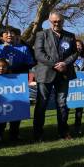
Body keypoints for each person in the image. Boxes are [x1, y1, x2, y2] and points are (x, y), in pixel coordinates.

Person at [32, 11, 77, 141]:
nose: (57, 23)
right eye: (54, 21)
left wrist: (65, 64)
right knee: (42, 104)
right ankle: (38, 133)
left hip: (63, 74)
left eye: (59, 21)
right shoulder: (42, 34)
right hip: (45, 73)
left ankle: (63, 132)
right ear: (49, 21)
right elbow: (39, 54)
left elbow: (74, 53)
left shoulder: (70, 36)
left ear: (63, 21)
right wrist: (55, 64)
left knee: (62, 104)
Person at [0, 26, 35, 141]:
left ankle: (14, 133)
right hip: (1, 82)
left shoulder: (24, 48)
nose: (9, 35)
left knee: (17, 107)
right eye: (6, 33)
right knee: (1, 107)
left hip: (18, 81)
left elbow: (30, 63)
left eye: (12, 33)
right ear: (1, 36)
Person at [72, 39, 84, 136]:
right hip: (70, 86)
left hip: (81, 86)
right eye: (76, 45)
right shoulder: (68, 58)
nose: (78, 47)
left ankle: (77, 127)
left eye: (79, 45)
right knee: (65, 108)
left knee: (79, 108)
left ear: (82, 47)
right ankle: (64, 129)